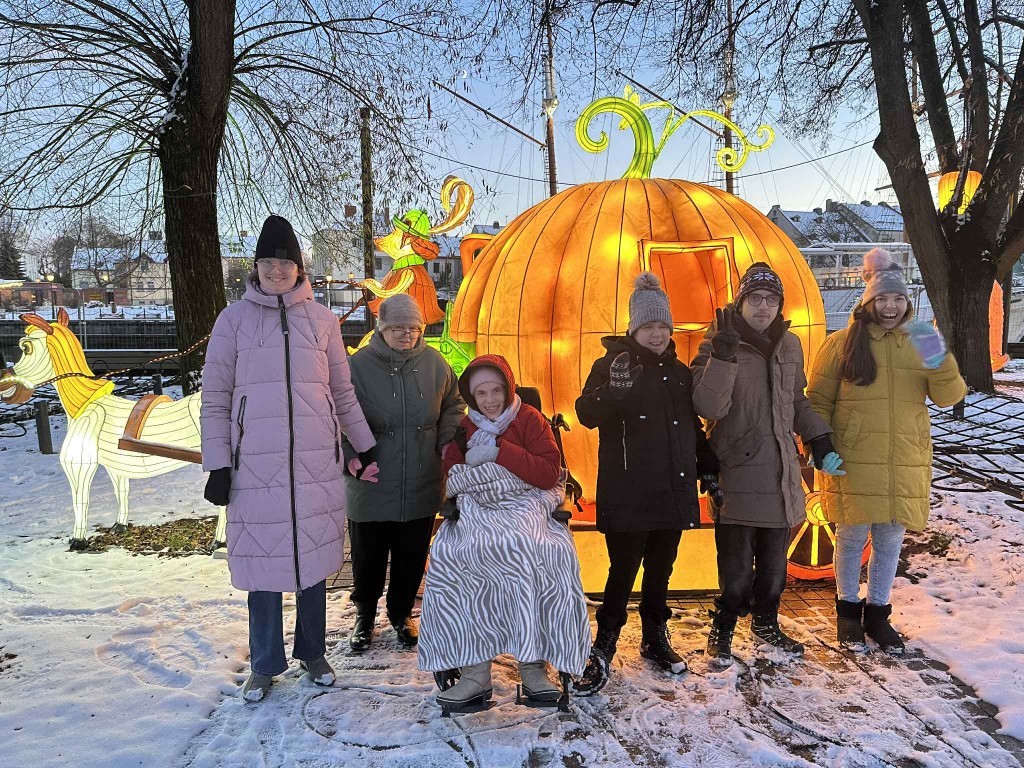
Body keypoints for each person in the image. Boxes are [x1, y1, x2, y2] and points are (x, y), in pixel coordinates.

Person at [201, 214, 378, 702]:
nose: (276, 270)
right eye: (268, 262)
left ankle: (313, 652)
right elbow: (215, 397)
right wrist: (217, 463)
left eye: (285, 262)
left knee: (312, 561)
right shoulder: (232, 321)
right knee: (263, 565)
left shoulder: (322, 321)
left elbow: (341, 390)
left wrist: (362, 443)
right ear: (256, 267)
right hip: (254, 465)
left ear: (300, 268)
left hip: (315, 462)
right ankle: (264, 663)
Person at [808, 248, 967, 655]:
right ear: (869, 301)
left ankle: (878, 614)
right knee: (851, 535)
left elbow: (949, 396)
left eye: (898, 298)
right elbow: (818, 400)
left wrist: (938, 354)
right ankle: (847, 612)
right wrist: (820, 444)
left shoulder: (921, 342)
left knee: (890, 538)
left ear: (907, 302)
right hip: (853, 456)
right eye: (882, 298)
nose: (890, 306)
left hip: (904, 456)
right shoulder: (841, 344)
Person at [418, 354, 591, 711]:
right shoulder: (464, 428)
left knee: (531, 551)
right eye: (481, 393)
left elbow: (547, 473)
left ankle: (532, 666)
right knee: (456, 555)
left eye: (496, 390)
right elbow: (455, 476)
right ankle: (474, 673)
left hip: (527, 504)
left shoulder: (530, 419)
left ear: (508, 388)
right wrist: (474, 473)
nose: (490, 399)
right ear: (472, 395)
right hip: (480, 507)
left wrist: (498, 451)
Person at [691, 262, 841, 666]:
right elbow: (707, 406)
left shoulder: (790, 344)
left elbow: (795, 400)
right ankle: (723, 628)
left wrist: (819, 436)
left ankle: (765, 623)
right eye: (754, 298)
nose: (763, 306)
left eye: (771, 299)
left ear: (779, 305)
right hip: (737, 470)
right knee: (737, 572)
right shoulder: (719, 340)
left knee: (775, 570)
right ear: (740, 302)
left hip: (781, 472)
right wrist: (723, 357)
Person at [575, 272, 719, 678]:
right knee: (622, 571)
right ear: (633, 329)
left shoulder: (679, 373)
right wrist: (614, 391)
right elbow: (586, 413)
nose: (656, 335)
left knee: (660, 570)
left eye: (662, 326)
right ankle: (605, 641)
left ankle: (655, 636)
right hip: (629, 490)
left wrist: (708, 468)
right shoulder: (610, 365)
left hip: (671, 488)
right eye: (648, 327)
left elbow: (690, 428)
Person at [343, 293, 465, 652]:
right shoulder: (357, 366)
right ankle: (365, 616)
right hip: (372, 480)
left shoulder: (435, 363)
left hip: (421, 477)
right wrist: (349, 457)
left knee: (411, 555)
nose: (407, 334)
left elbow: (454, 404)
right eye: (398, 327)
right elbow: (335, 416)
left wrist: (445, 442)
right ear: (381, 328)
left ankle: (401, 614)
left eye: (414, 328)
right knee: (368, 556)